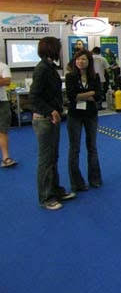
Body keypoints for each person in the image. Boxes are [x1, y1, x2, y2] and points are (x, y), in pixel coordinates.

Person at [30, 37, 76, 210]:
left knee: (53, 157)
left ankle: (55, 190)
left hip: (52, 118)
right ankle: (46, 197)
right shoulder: (42, 69)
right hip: (44, 119)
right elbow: (34, 97)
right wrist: (50, 111)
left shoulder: (49, 67)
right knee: (46, 160)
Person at [66, 50, 103, 191]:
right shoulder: (70, 77)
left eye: (84, 59)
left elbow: (98, 95)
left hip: (91, 114)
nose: (80, 62)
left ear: (89, 62)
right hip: (74, 115)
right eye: (78, 59)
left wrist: (81, 95)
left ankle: (95, 179)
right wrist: (90, 93)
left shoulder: (95, 76)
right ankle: (77, 183)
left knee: (92, 147)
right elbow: (71, 96)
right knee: (74, 148)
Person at [0, 61, 17, 168]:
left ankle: (6, 158)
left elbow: (7, 81)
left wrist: (3, 80)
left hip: (2, 102)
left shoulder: (3, 66)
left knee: (2, 130)